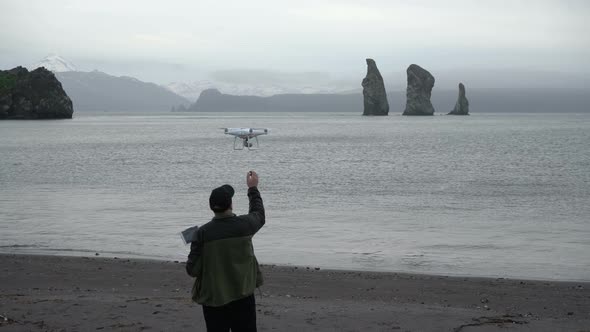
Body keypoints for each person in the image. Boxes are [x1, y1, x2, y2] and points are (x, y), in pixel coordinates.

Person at [186, 170, 265, 332]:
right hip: (243, 296)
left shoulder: (201, 234)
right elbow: (259, 214)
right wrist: (252, 188)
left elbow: (192, 270)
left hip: (214, 299)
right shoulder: (244, 225)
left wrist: (196, 247)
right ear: (231, 204)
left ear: (211, 208)